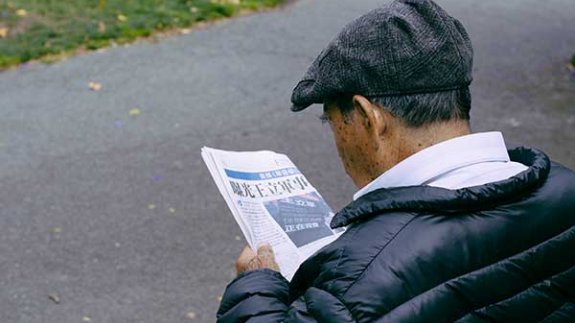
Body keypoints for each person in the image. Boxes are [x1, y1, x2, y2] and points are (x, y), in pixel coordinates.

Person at [216, 0, 575, 321]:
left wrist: (256, 287)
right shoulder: (565, 190)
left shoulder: (356, 280)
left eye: (331, 120)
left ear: (368, 116)